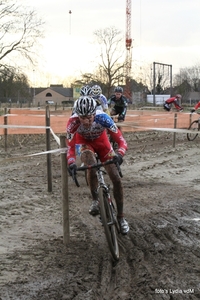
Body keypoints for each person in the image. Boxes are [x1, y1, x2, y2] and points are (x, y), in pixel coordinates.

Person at [66, 96, 129, 235]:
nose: (86, 121)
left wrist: (119, 154)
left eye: (89, 117)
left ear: (94, 113)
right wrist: (71, 163)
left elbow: (121, 140)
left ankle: (121, 217)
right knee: (91, 165)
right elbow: (70, 147)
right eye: (82, 118)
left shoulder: (103, 118)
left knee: (116, 178)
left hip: (103, 143)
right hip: (84, 144)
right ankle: (95, 199)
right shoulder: (73, 122)